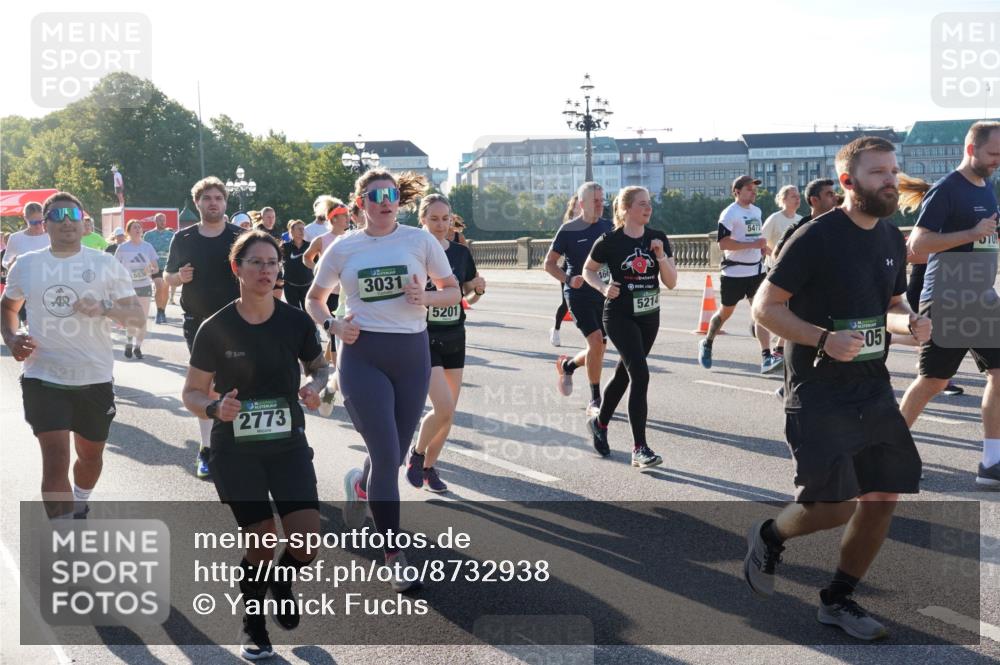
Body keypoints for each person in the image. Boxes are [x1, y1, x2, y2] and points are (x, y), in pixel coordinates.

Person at [745, 137, 931, 640]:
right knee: (835, 504)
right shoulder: (814, 237)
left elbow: (891, 305)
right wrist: (824, 338)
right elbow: (765, 307)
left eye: (893, 171)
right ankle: (770, 533)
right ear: (848, 183)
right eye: (878, 173)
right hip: (818, 388)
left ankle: (838, 599)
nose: (891, 180)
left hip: (871, 385)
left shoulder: (892, 238)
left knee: (882, 495)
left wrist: (909, 325)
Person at [306, 169, 459, 591]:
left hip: (412, 355)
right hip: (363, 355)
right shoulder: (343, 247)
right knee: (387, 453)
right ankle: (393, 553)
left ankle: (359, 483)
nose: (385, 201)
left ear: (399, 200)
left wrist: (425, 297)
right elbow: (314, 299)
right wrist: (334, 325)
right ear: (361, 204)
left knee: (388, 454)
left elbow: (452, 291)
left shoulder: (420, 240)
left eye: (391, 194)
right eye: (375, 196)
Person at [182, 230, 327, 660]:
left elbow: (319, 368)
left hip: (287, 445)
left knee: (305, 543)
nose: (266, 270)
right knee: (261, 540)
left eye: (272, 263)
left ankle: (281, 580)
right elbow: (191, 392)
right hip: (236, 450)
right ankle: (253, 624)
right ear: (237, 268)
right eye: (256, 263)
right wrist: (212, 409)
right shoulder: (216, 327)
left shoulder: (295, 321)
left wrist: (316, 386)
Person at [1, 192, 144, 520]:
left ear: (83, 222)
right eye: (57, 215)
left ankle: (81, 499)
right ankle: (66, 544)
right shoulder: (27, 265)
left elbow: (135, 314)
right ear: (44, 224)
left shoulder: (105, 263)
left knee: (90, 457)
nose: (66, 220)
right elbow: (8, 306)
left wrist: (105, 308)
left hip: (93, 377)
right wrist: (11, 337)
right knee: (54, 461)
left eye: (73, 215)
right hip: (43, 376)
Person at [897, 120, 1000, 487]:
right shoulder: (947, 190)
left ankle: (992, 462)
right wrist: (971, 234)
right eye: (993, 154)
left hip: (983, 298)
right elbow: (918, 246)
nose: (997, 161)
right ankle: (888, 449)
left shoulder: (987, 187)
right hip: (948, 297)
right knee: (933, 382)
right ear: (971, 149)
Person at [584, 187, 676, 468]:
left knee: (625, 375)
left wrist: (660, 256)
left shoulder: (658, 238)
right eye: (641, 204)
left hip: (649, 315)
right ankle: (640, 448)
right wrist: (602, 288)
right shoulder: (609, 241)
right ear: (625, 209)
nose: (648, 209)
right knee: (641, 374)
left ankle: (599, 423)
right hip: (619, 315)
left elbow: (671, 282)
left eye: (649, 204)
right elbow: (588, 270)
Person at [406, 194, 485, 493]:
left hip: (455, 336)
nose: (441, 225)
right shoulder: (411, 252)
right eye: (434, 219)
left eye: (446, 219)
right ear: (422, 220)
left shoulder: (461, 254)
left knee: (449, 413)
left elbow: (466, 298)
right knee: (443, 405)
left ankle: (429, 468)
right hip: (424, 338)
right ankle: (416, 454)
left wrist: (479, 291)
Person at [164, 176, 243, 479]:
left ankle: (237, 444)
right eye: (207, 198)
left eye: (218, 198)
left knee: (236, 383)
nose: (213, 203)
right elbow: (167, 276)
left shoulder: (239, 235)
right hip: (197, 322)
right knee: (206, 386)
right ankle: (207, 449)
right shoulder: (183, 238)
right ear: (197, 203)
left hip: (237, 321)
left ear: (225, 203)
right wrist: (178, 278)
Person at [699, 176, 782, 374]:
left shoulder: (757, 211)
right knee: (725, 313)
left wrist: (769, 252)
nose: (753, 192)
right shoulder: (729, 213)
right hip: (734, 273)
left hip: (756, 271)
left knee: (762, 312)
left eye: (754, 190)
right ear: (736, 191)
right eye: (748, 189)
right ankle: (708, 342)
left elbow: (756, 238)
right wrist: (752, 245)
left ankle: (766, 357)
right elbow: (723, 243)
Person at [545, 182, 613, 416]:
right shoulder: (568, 230)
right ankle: (596, 398)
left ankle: (568, 365)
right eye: (595, 200)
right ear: (582, 204)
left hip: (603, 292)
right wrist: (567, 278)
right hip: (578, 294)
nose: (600, 204)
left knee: (600, 347)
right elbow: (549, 264)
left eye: (602, 199)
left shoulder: (609, 227)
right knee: (595, 341)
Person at [761, 186, 802, 361]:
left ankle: (779, 348)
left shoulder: (801, 220)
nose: (797, 199)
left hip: (795, 271)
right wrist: (776, 257)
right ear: (783, 199)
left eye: (799, 196)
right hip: (774, 270)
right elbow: (761, 243)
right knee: (778, 309)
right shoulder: (774, 219)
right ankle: (770, 349)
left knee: (792, 310)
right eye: (793, 196)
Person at [113, 220, 158, 359]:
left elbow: (156, 267)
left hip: (144, 286)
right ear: (128, 231)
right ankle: (128, 343)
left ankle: (137, 347)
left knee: (142, 319)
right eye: (134, 227)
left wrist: (149, 270)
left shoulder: (148, 247)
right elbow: (115, 268)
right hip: (128, 287)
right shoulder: (122, 248)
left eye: (139, 227)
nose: (138, 229)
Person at [550, 194, 582, 347]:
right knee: (566, 304)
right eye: (577, 205)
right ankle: (555, 330)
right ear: (573, 208)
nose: (580, 208)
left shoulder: (594, 225)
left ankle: (597, 334)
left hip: (589, 270)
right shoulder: (568, 227)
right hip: (569, 270)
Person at [143, 213, 175, 324]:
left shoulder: (171, 235)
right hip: (154, 266)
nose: (162, 222)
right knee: (159, 286)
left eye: (164, 220)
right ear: (155, 221)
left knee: (165, 289)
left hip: (167, 265)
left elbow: (174, 251)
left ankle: (163, 311)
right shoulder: (148, 235)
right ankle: (158, 311)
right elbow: (144, 250)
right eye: (160, 220)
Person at [2, 202, 50, 271]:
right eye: (33, 222)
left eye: (41, 221)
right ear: (25, 218)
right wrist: (9, 264)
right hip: (24, 279)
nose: (38, 226)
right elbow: (5, 260)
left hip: (48, 279)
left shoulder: (52, 236)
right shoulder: (15, 238)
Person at [281, 220, 312, 310]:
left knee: (308, 315)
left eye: (303, 229)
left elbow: (316, 264)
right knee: (295, 314)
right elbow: (277, 263)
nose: (302, 231)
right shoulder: (284, 247)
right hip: (290, 286)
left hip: (307, 285)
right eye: (299, 229)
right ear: (292, 231)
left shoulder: (310, 246)